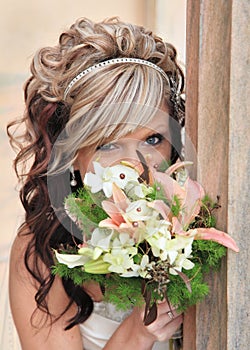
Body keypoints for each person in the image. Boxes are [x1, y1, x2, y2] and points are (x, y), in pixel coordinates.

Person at [7, 17, 185, 350]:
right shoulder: (43, 249)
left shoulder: (197, 217)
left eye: (153, 139)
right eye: (108, 143)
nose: (135, 165)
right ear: (73, 154)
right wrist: (138, 333)